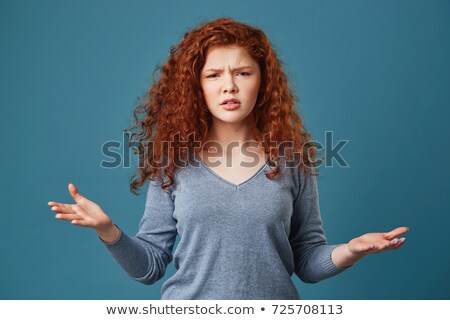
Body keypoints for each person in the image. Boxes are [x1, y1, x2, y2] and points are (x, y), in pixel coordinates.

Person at [47, 17, 408, 299]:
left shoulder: (294, 162)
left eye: (243, 73)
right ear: (198, 86)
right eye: (214, 74)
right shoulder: (172, 163)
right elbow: (150, 266)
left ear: (262, 83)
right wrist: (107, 231)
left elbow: (308, 261)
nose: (229, 86)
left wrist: (351, 250)